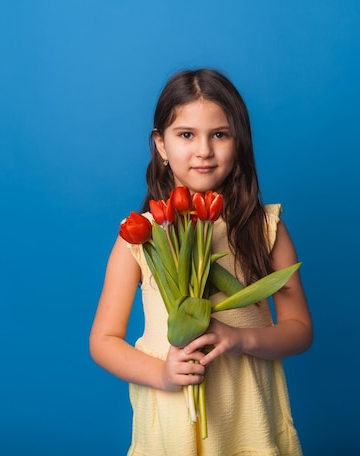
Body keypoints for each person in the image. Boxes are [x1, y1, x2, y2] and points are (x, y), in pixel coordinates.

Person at [89, 68, 313, 455]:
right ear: (160, 145)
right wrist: (161, 373)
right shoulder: (139, 236)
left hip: (245, 411)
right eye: (186, 134)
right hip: (172, 413)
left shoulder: (265, 229)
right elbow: (103, 341)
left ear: (239, 142)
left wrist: (242, 339)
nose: (204, 151)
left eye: (220, 135)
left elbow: (299, 329)